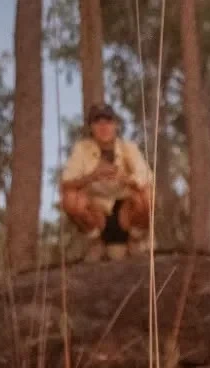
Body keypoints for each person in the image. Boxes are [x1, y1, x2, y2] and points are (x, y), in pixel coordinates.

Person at [60, 103, 153, 261]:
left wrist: (124, 178)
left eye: (108, 121)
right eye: (98, 122)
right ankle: (96, 243)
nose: (103, 127)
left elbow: (146, 177)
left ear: (115, 125)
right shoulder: (82, 149)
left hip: (126, 216)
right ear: (91, 127)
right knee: (70, 198)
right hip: (98, 216)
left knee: (148, 194)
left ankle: (135, 241)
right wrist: (92, 176)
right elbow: (66, 182)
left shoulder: (128, 148)